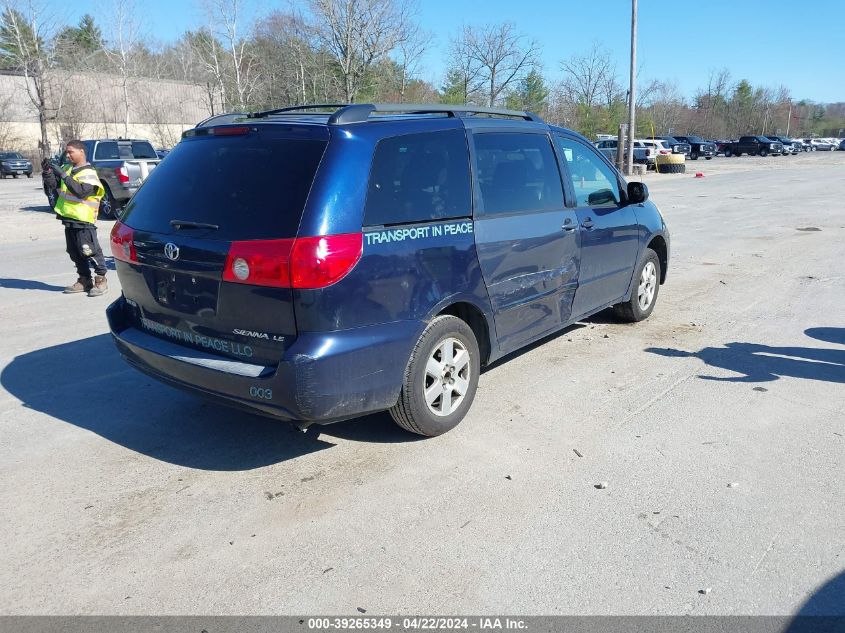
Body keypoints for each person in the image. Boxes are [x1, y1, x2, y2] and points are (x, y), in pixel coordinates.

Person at [42, 140, 109, 297]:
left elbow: (81, 191)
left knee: (90, 250)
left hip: (84, 220)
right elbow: (53, 185)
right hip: (69, 218)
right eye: (67, 152)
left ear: (82, 152)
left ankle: (101, 279)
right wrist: (48, 172)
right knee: (74, 251)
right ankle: (84, 280)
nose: (68, 155)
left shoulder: (89, 173)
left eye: (71, 151)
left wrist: (63, 175)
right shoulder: (68, 169)